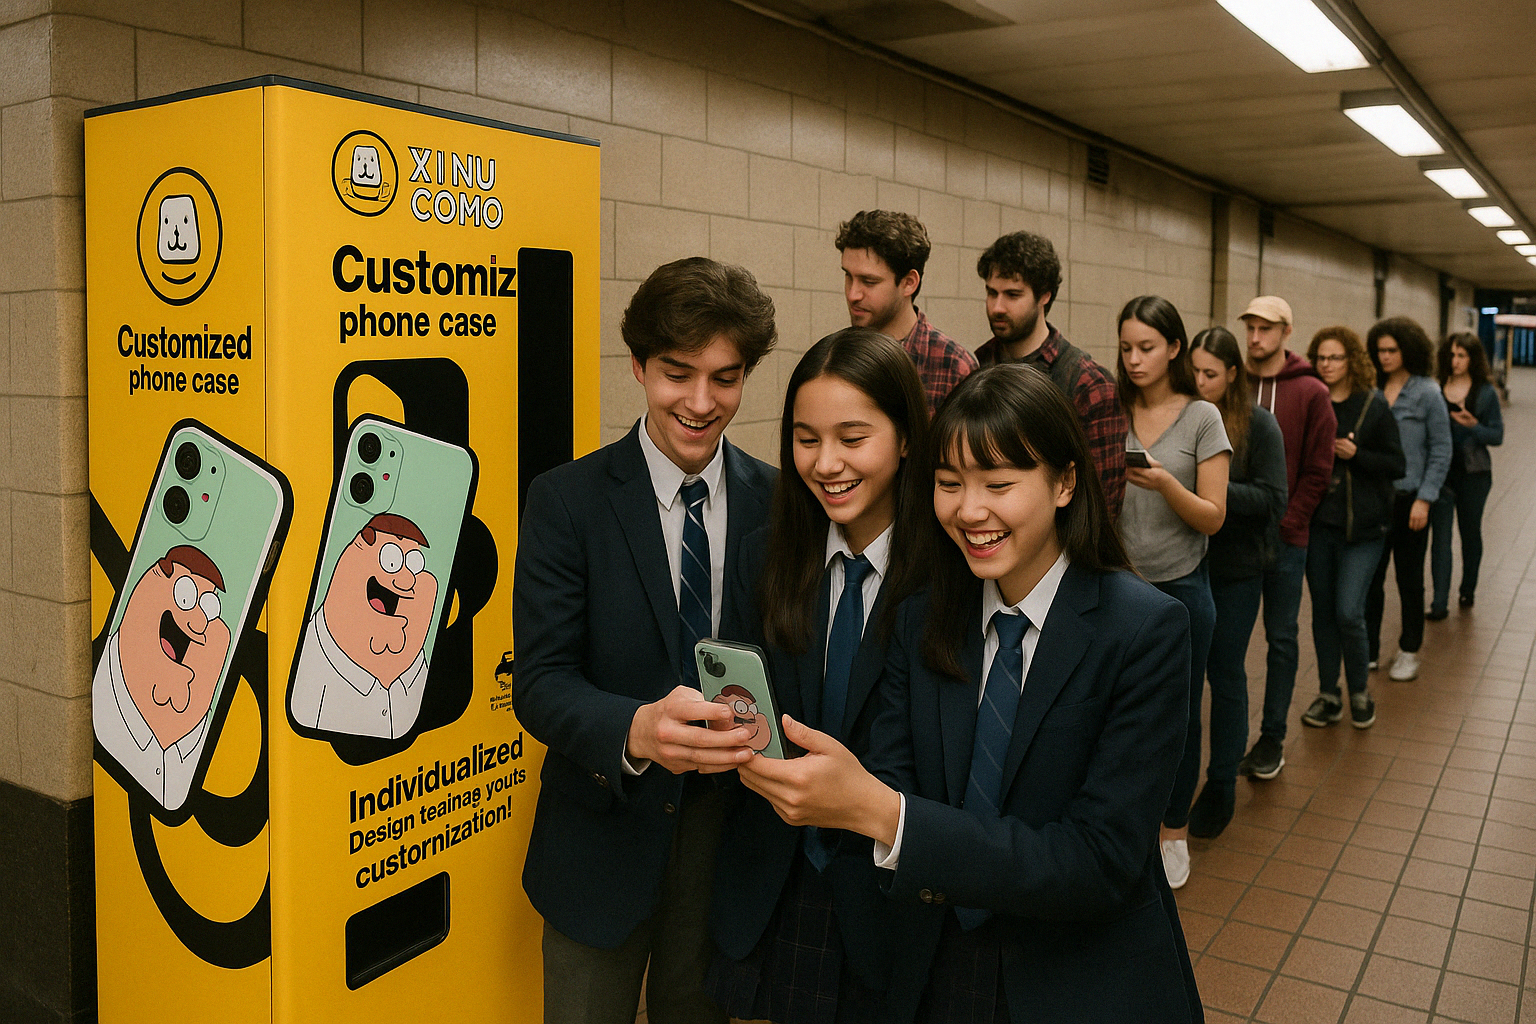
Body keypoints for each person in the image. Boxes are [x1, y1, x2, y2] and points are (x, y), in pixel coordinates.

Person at [734, 364, 1202, 1023]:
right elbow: (899, 776)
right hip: (939, 967)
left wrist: (883, 813)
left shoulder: (1143, 630)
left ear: (1066, 482)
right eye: (949, 484)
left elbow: (1101, 859)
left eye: (999, 484)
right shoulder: (926, 618)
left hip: (1076, 977)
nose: (969, 510)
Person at [512, 257, 778, 1024]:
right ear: (637, 365)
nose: (700, 403)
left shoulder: (781, 501)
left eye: (725, 379)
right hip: (600, 848)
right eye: (676, 373)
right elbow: (541, 680)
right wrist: (634, 730)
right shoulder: (567, 501)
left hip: (732, 851)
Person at [710, 327, 932, 1024]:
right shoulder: (767, 555)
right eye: (806, 439)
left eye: (853, 438)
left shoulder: (949, 574)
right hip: (778, 882)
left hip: (893, 896)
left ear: (905, 439)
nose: (827, 463)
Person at [1115, 296, 1230, 889]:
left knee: (1180, 717)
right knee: (1118, 713)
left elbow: (1213, 516)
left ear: (1175, 349)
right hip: (1120, 585)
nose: (1134, 360)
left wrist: (1163, 482)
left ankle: (1173, 829)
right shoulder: (1113, 407)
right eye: (1127, 347)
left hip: (1182, 586)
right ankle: (1125, 822)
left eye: (1147, 348)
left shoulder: (1202, 417)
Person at [1186, 327, 1286, 838]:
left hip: (1236, 570)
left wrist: (1215, 491)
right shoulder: (1182, 418)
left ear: (1232, 375)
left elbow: (1274, 499)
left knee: (1224, 674)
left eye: (1210, 374)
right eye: (1194, 371)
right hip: (1184, 566)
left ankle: (1221, 782)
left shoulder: (1259, 426)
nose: (1200, 382)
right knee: (1181, 682)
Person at [1236, 296, 1337, 782]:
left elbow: (1319, 470)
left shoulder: (1311, 392)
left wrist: (1288, 523)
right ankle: (1231, 739)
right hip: (1234, 540)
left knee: (1280, 639)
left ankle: (1271, 737)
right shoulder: (1233, 384)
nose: (1255, 337)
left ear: (1287, 332)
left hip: (1285, 540)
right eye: (1250, 327)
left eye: (1266, 328)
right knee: (1228, 644)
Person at [972, 231, 1127, 518]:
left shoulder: (1088, 384)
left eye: (1012, 295)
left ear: (1044, 295)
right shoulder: (975, 366)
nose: (997, 307)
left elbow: (1103, 505)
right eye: (991, 293)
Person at [1300, 327, 1404, 731]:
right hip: (1320, 526)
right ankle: (1330, 694)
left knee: (1348, 611)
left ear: (1352, 361)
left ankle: (1359, 690)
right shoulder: (1313, 401)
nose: (1326, 365)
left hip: (1364, 529)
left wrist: (1357, 454)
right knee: (1323, 613)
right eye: (1321, 358)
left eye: (1335, 358)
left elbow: (1397, 465)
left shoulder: (1373, 406)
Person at [1364, 316, 1452, 682]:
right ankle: (1368, 649)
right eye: (1379, 350)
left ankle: (1408, 649)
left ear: (1408, 351)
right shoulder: (1371, 390)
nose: (1384, 357)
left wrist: (1426, 499)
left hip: (1411, 499)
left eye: (1391, 350)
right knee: (1370, 576)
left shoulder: (1428, 392)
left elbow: (1442, 449)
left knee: (1409, 578)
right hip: (1374, 499)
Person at [835, 210, 978, 415]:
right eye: (848, 276)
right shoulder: (837, 356)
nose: (853, 294)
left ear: (909, 283)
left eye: (869, 281)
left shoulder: (954, 367)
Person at [1429, 331, 1503, 617]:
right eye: (1452, 355)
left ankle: (1467, 588)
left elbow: (1497, 436)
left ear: (1473, 359)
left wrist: (1473, 425)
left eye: (1462, 355)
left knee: (1470, 532)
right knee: (1441, 537)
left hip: (1475, 474)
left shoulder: (1485, 392)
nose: (1456, 361)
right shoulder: (1436, 388)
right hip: (1441, 473)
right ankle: (1438, 602)